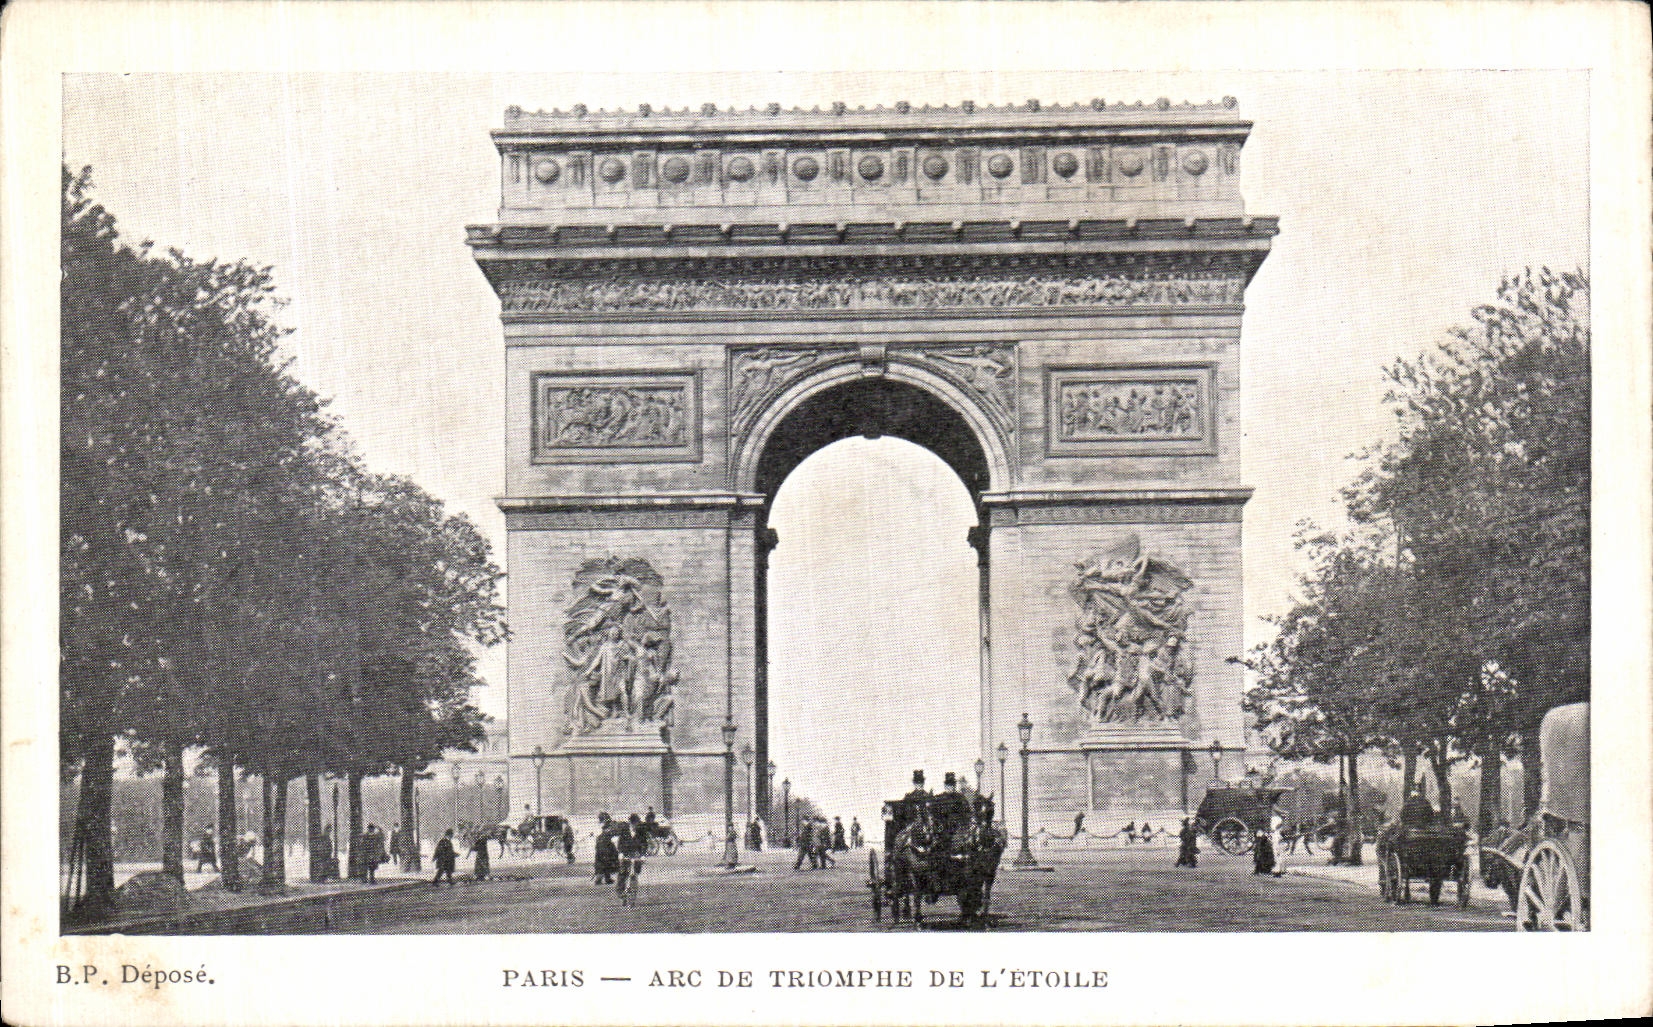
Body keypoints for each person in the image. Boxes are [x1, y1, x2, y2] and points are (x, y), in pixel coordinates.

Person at [614, 819, 644, 897]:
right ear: (630, 823)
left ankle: (634, 891)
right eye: (633, 824)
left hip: (636, 855)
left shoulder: (640, 834)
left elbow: (644, 845)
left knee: (635, 873)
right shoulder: (624, 833)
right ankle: (620, 891)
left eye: (636, 824)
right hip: (625, 854)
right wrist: (620, 853)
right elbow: (620, 844)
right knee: (622, 872)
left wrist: (643, 855)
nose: (635, 826)